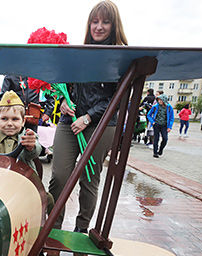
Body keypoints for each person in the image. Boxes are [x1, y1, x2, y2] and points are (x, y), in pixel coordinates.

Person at [48, 0, 128, 233]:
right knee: (60, 175)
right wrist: (63, 101)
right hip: (69, 122)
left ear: (114, 26)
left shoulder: (121, 57)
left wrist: (89, 118)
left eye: (105, 21)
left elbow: (118, 97)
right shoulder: (79, 53)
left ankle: (82, 229)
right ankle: (53, 227)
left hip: (102, 124)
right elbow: (66, 86)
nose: (99, 26)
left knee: (89, 179)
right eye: (95, 21)